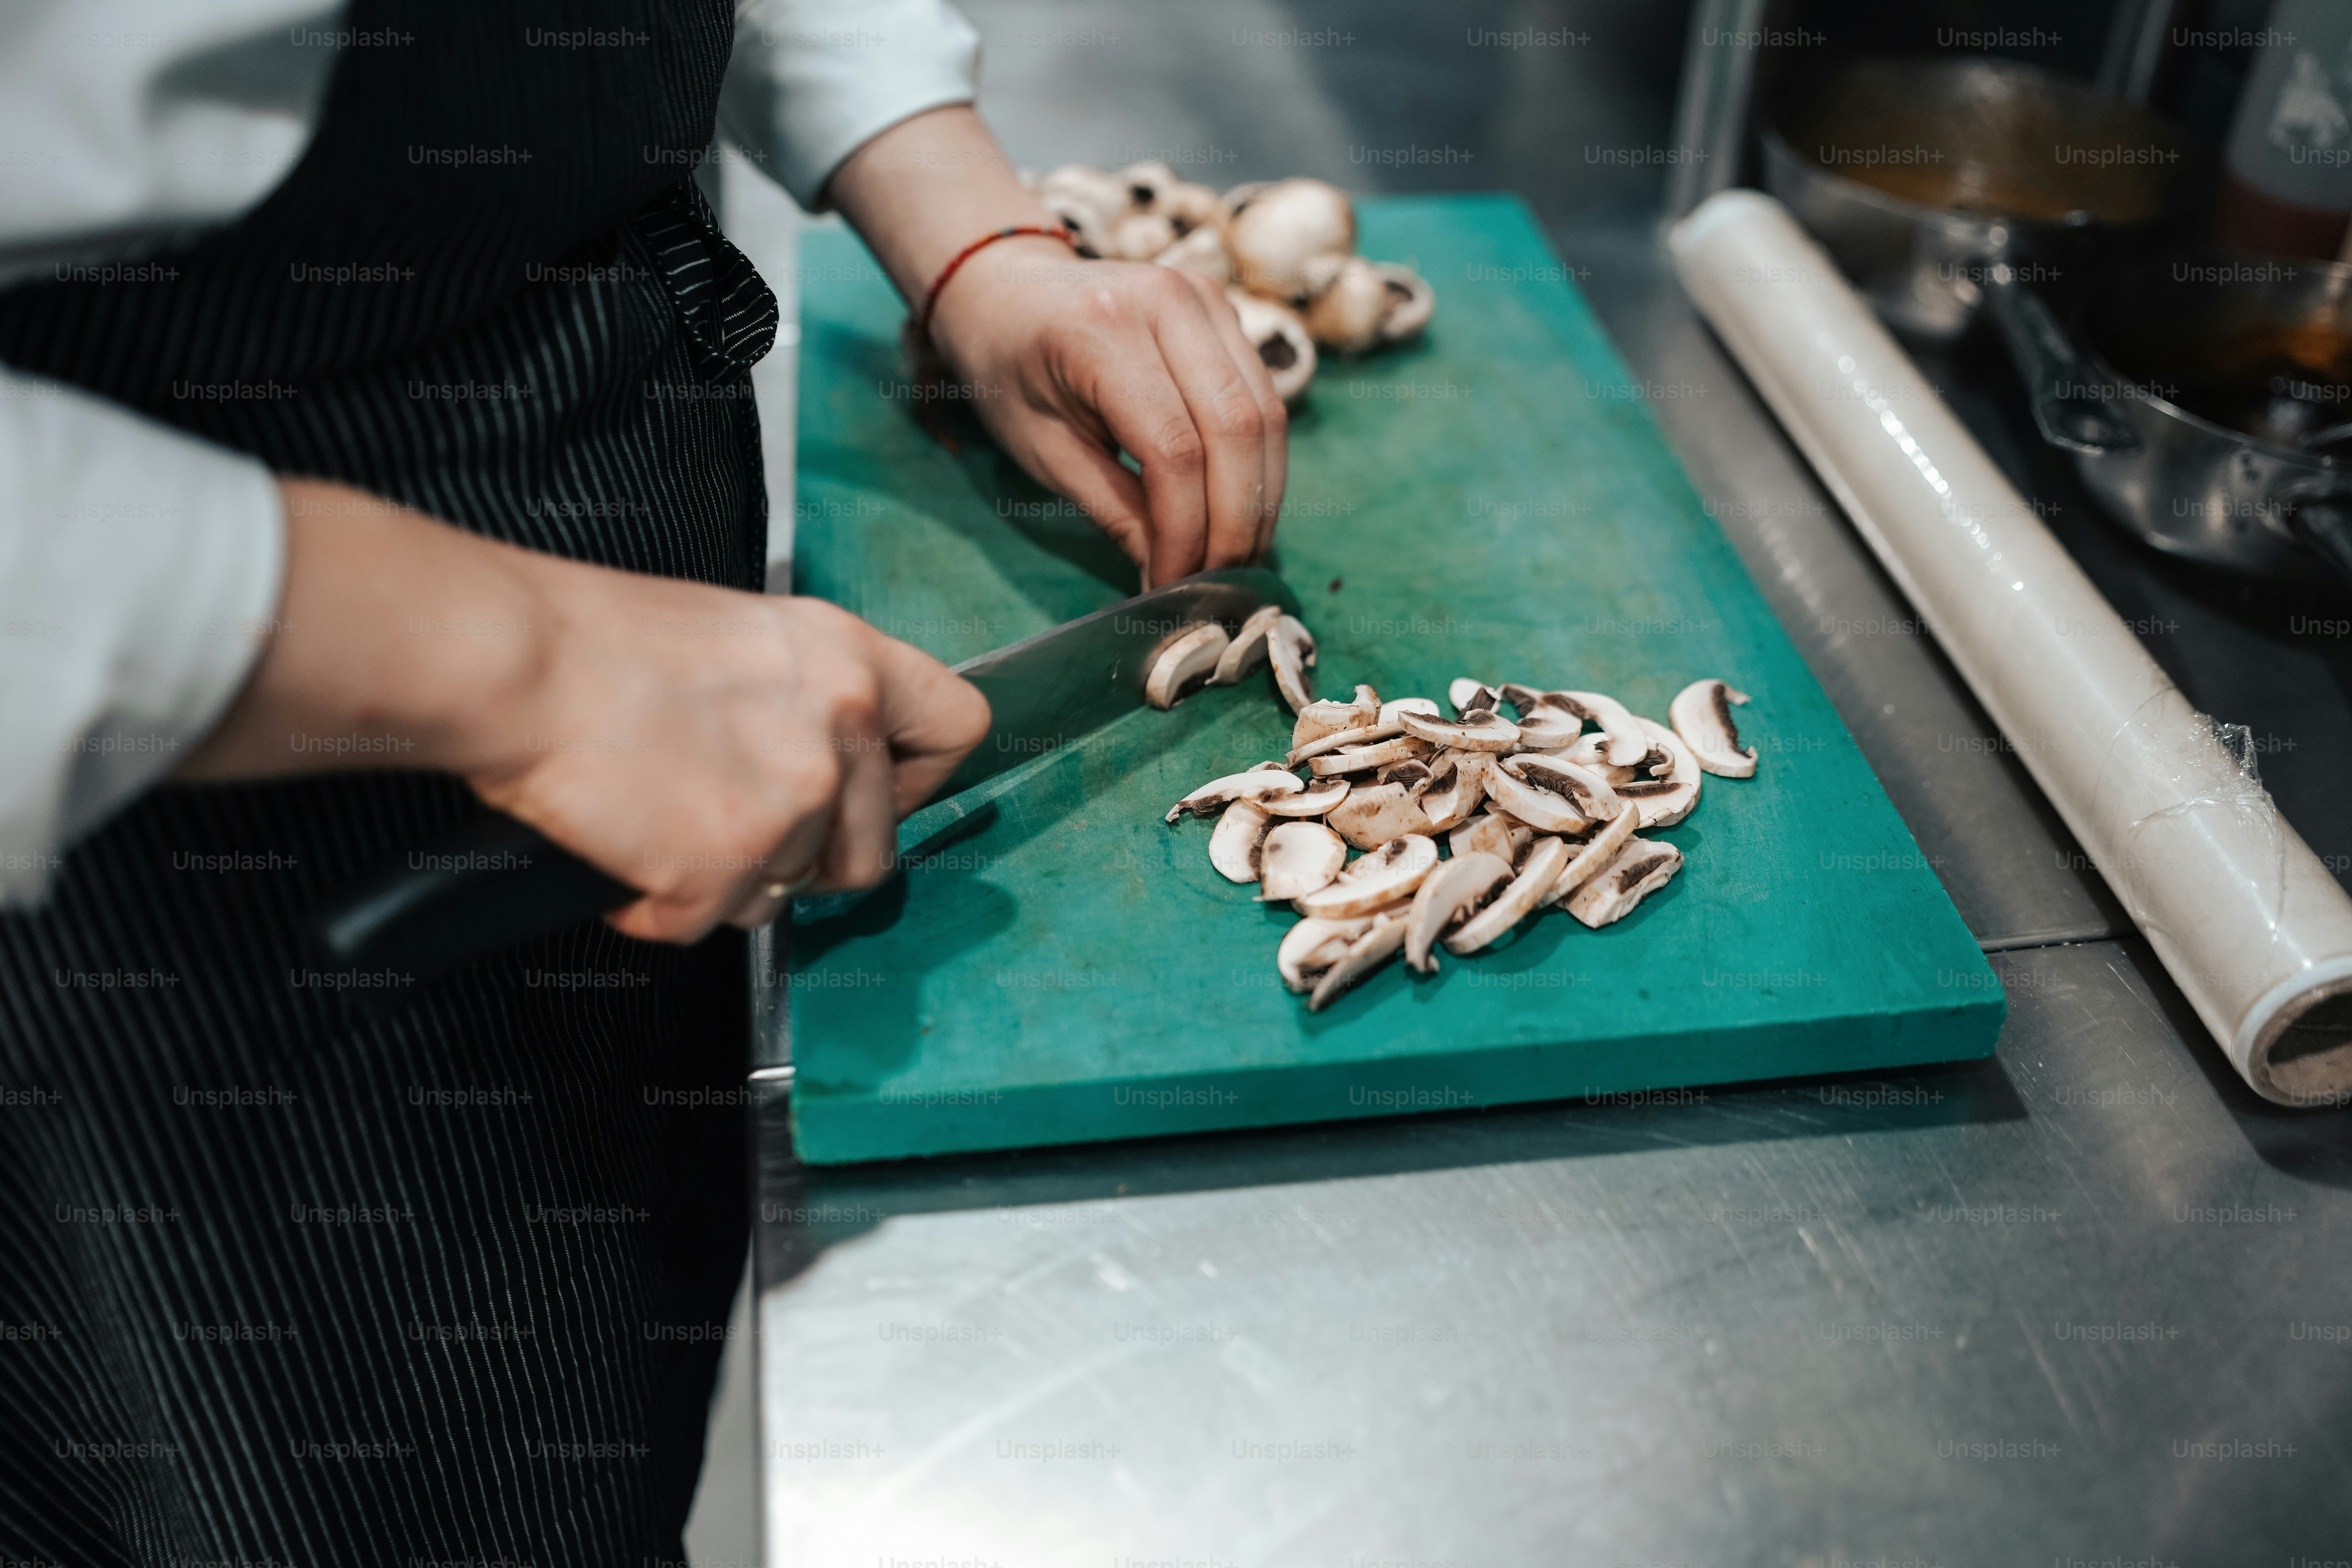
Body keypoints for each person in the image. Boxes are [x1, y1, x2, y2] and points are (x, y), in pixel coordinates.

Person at [0, 1, 1288, 1562]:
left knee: (595, 1414)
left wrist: (969, 234)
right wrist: (521, 659)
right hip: (178, 792)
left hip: (613, 511)